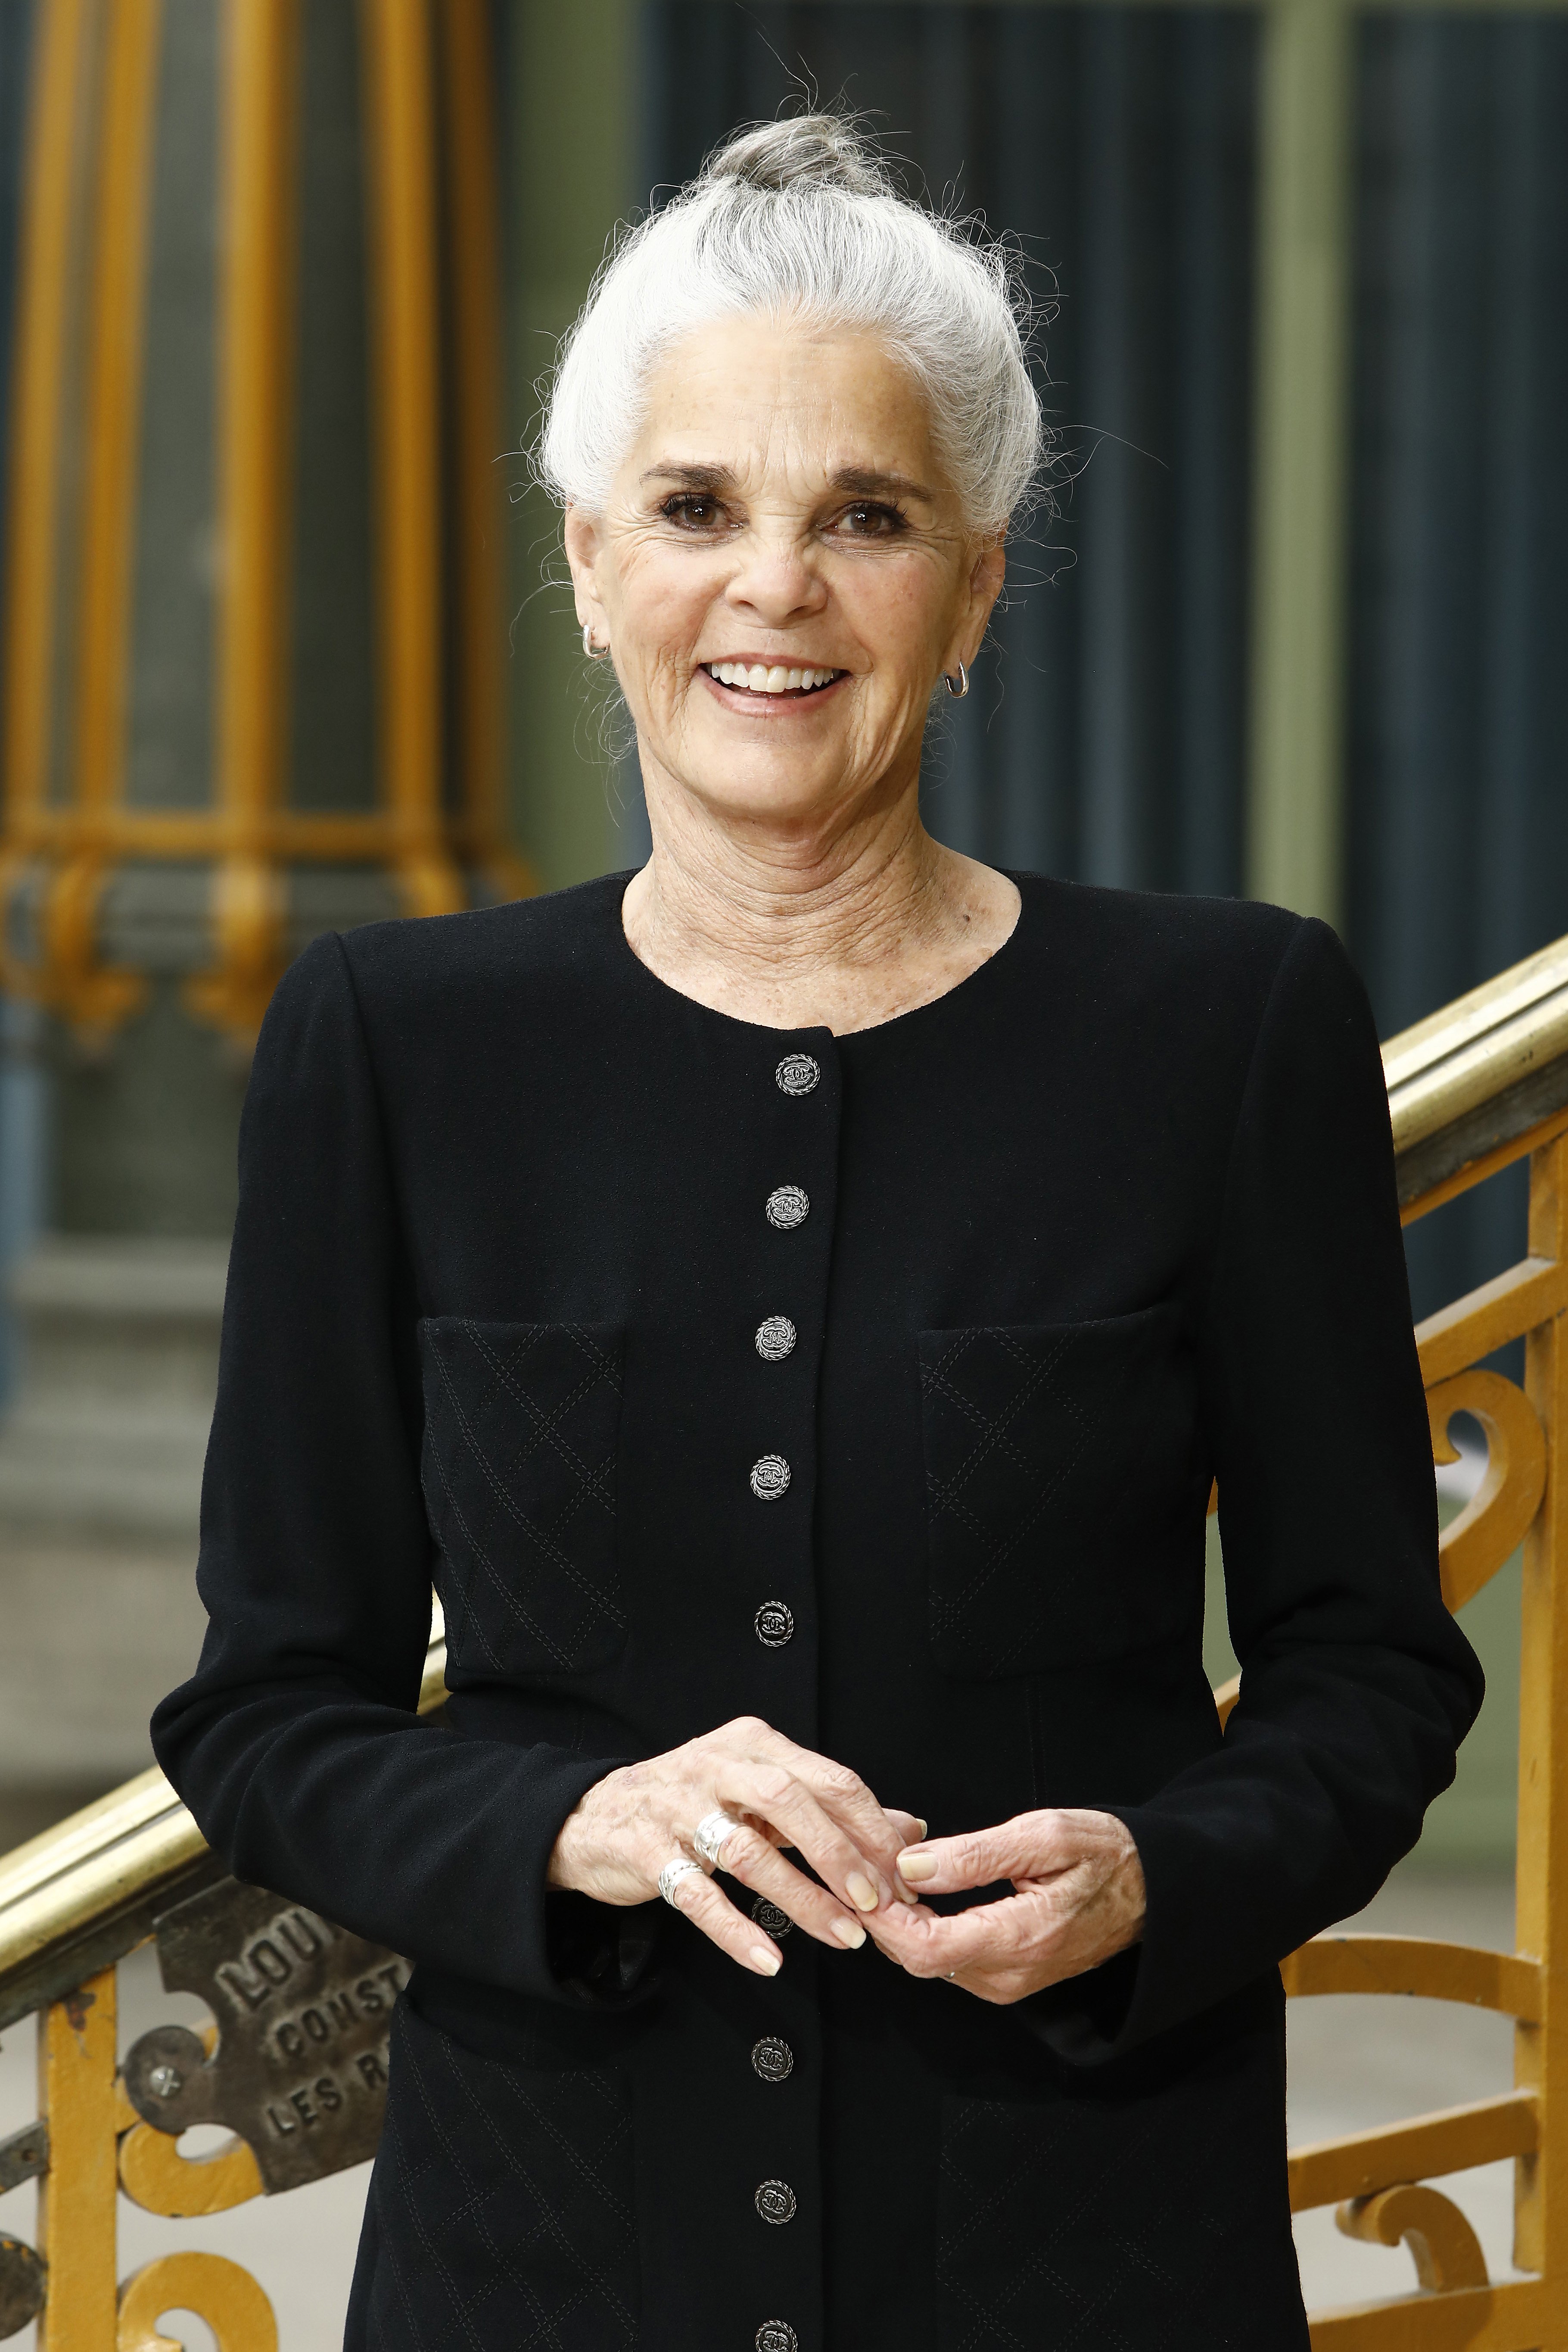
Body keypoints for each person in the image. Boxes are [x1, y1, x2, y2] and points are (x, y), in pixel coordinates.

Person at [153, 115, 1481, 2352]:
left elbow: (1369, 1667)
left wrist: (1162, 1875)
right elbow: (271, 1709)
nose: (770, 584)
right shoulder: (390, 1041)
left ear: (969, 588)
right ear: (588, 565)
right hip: (544, 2270)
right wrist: (567, 1824)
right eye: (694, 509)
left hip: (1082, 2255)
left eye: (860, 517)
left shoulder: (1222, 1025)